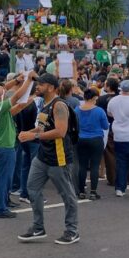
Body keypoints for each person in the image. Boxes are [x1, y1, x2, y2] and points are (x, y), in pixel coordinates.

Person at [17, 73, 80, 245]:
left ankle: (72, 231)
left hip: (59, 158)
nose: (37, 86)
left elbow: (60, 131)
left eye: (41, 84)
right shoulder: (45, 104)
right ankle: (38, 228)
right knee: (32, 189)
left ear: (51, 87)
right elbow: (42, 127)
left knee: (68, 195)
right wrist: (28, 133)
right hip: (43, 156)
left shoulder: (59, 105)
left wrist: (33, 138)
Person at [0, 73, 32, 218]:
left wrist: (31, 96)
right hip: (5, 147)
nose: (5, 91)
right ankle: (0, 208)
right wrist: (28, 81)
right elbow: (16, 98)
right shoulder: (1, 105)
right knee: (4, 178)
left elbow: (18, 107)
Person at [74, 87, 109, 200]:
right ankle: (93, 192)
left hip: (81, 139)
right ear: (95, 98)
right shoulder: (99, 111)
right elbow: (105, 126)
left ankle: (81, 191)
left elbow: (74, 125)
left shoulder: (77, 110)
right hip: (96, 139)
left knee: (82, 165)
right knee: (94, 166)